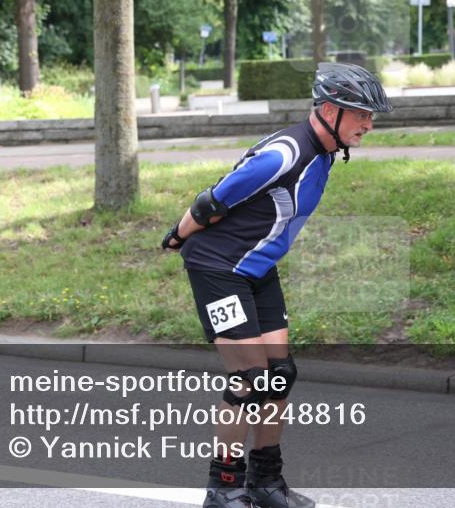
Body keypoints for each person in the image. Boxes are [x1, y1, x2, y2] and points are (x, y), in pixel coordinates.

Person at [161, 62, 393, 508]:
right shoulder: (285, 154)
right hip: (217, 268)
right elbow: (214, 200)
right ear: (330, 110)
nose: (369, 124)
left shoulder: (324, 151)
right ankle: (223, 488)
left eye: (371, 116)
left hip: (255, 268)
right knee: (250, 380)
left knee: (279, 375)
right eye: (362, 114)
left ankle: (265, 483)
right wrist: (178, 235)